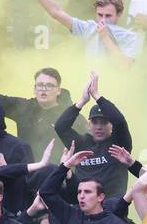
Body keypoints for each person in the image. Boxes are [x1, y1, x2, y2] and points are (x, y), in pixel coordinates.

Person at [14, 0, 140, 70]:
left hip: (116, 91)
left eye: (108, 16)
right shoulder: (89, 28)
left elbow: (125, 66)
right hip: (90, 87)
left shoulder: (130, 36)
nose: (102, 20)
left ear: (119, 15)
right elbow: (56, 12)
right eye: (100, 15)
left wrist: (106, 38)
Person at [53, 71, 135, 201]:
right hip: (83, 207)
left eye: (104, 122)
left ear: (111, 125)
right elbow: (60, 127)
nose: (99, 127)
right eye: (95, 122)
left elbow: (119, 122)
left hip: (112, 209)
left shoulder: (119, 144)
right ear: (89, 125)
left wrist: (97, 95)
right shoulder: (81, 143)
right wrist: (82, 101)